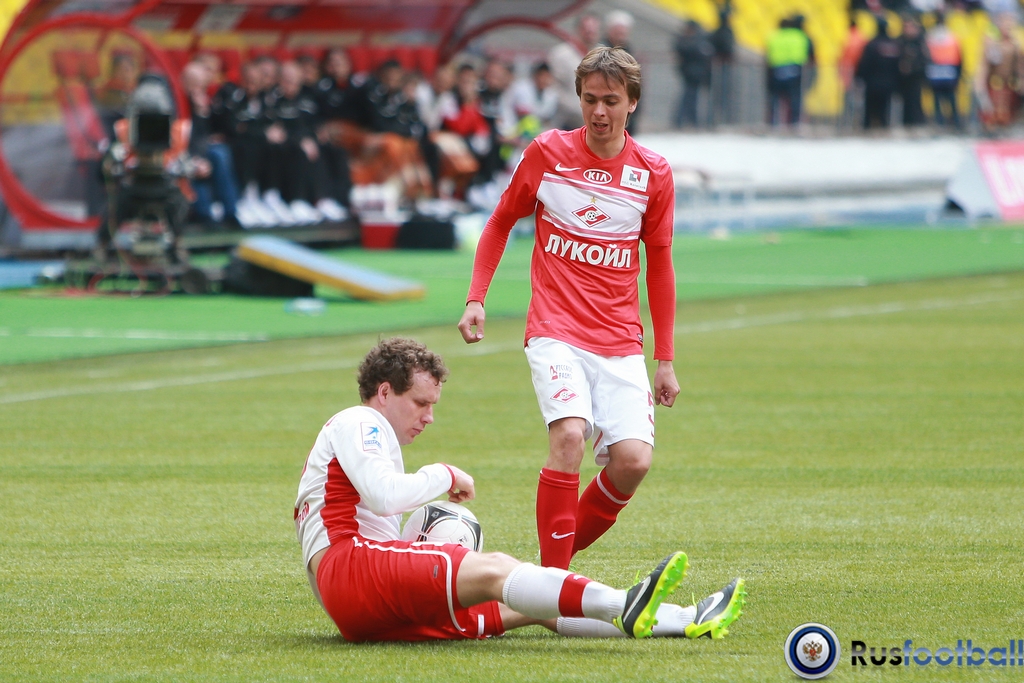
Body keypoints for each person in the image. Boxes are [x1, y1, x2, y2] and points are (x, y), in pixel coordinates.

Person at [294, 337, 746, 642]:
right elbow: (383, 495)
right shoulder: (360, 421)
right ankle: (623, 603)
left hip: (360, 607)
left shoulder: (366, 439)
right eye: (420, 403)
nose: (429, 417)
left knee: (532, 605)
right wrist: (444, 474)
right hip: (353, 571)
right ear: (384, 392)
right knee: (498, 568)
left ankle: (686, 619)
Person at [457, 47, 679, 571]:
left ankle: (543, 572)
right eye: (589, 99)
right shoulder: (547, 152)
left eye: (611, 101)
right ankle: (554, 586)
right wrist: (476, 298)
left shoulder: (653, 174)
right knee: (569, 436)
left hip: (620, 339)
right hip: (554, 329)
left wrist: (665, 359)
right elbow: (500, 221)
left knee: (633, 461)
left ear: (632, 103)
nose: (599, 111)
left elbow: (660, 266)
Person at [548, 13, 602, 130]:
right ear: (578, 30)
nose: (590, 34)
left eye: (593, 31)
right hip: (565, 121)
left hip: (594, 122)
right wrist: (580, 109)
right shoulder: (561, 54)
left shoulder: (602, 55)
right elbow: (555, 89)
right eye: (587, 30)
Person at [974, 11, 1024, 132]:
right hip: (995, 84)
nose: (1007, 27)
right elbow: (985, 66)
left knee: (1009, 113)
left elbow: (1019, 66)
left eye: (1010, 24)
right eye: (1005, 24)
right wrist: (980, 82)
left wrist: (1021, 80)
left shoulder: (1015, 45)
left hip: (1009, 85)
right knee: (991, 113)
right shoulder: (993, 45)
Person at [765, 15, 813, 127]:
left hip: (776, 71)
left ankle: (773, 123)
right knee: (795, 98)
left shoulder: (773, 36)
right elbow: (810, 54)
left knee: (775, 99)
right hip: (795, 71)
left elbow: (768, 54)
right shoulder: (800, 36)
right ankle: (794, 123)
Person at [856, 15, 902, 130]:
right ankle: (884, 126)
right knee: (885, 107)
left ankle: (867, 127)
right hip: (889, 82)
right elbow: (898, 64)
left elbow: (865, 63)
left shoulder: (872, 44)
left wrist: (860, 76)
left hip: (872, 82)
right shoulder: (893, 45)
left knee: (869, 107)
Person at [673, 19, 714, 128]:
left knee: (691, 98)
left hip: (695, 75)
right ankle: (684, 120)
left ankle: (689, 120)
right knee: (688, 97)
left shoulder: (697, 40)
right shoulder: (686, 41)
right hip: (689, 74)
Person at [925, 11, 962, 129]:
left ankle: (940, 120)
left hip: (936, 68)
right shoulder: (951, 35)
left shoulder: (930, 35)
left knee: (938, 96)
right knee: (949, 96)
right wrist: (958, 71)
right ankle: (954, 119)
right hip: (948, 68)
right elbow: (958, 56)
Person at [897, 14, 930, 127]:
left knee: (915, 101)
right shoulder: (900, 41)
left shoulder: (920, 41)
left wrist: (913, 68)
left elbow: (925, 60)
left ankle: (917, 122)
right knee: (904, 102)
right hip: (903, 78)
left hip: (916, 77)